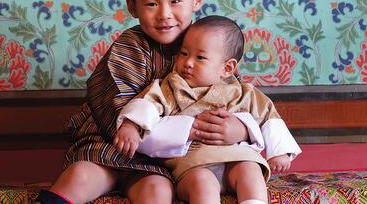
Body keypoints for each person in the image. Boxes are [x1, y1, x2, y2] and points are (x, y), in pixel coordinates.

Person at [36, 0, 253, 204]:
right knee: (83, 175)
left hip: (163, 161)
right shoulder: (130, 46)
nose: (164, 14)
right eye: (151, 3)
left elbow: (236, 96)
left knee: (157, 191)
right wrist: (189, 128)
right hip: (111, 143)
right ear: (132, 5)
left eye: (175, 1)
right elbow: (117, 114)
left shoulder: (210, 44)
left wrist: (240, 129)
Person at [114, 15, 302, 204]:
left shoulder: (242, 92)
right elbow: (148, 103)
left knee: (250, 170)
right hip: (193, 164)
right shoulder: (172, 87)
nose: (188, 63)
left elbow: (268, 115)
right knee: (203, 183)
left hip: (236, 157)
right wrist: (131, 125)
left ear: (227, 68)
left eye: (200, 57)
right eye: (184, 53)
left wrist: (279, 151)